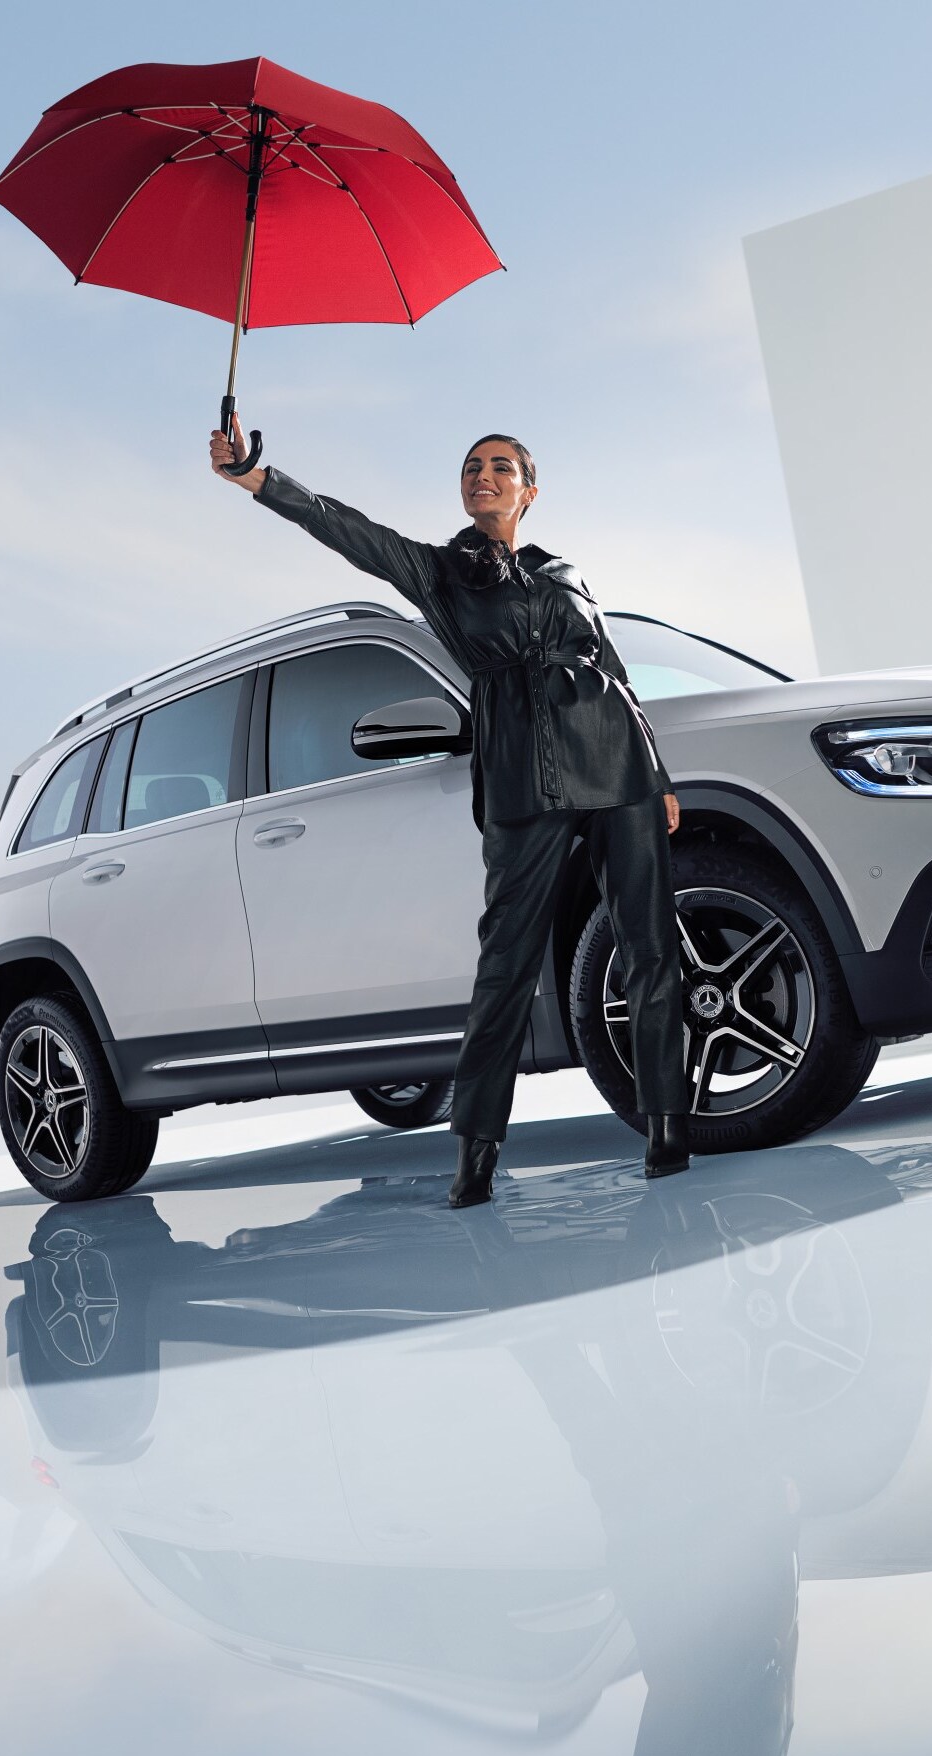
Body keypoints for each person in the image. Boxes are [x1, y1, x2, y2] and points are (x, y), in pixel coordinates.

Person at [210, 421, 692, 1206]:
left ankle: (669, 1127)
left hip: (616, 762)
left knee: (647, 946)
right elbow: (346, 529)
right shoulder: (439, 571)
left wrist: (659, 774)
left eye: (502, 467)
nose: (484, 476)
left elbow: (614, 672)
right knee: (504, 968)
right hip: (520, 778)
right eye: (473, 467)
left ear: (528, 492)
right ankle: (474, 1155)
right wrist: (260, 478)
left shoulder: (564, 571)